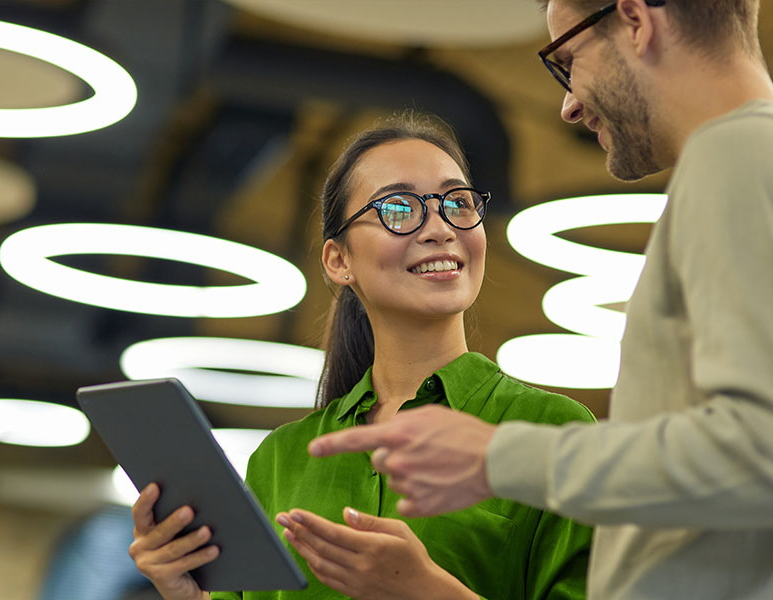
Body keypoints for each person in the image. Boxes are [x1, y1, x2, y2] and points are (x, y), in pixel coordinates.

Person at [308, 1, 773, 599]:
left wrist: (499, 458)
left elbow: (770, 451)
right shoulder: (754, 159)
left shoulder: (737, 156)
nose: (568, 104)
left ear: (636, 20)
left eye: (568, 60)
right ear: (338, 259)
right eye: (399, 210)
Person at [128, 114, 596, 600]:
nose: (439, 228)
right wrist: (185, 592)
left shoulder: (552, 430)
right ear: (339, 260)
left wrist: (427, 592)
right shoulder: (279, 458)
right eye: (398, 208)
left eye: (457, 203)